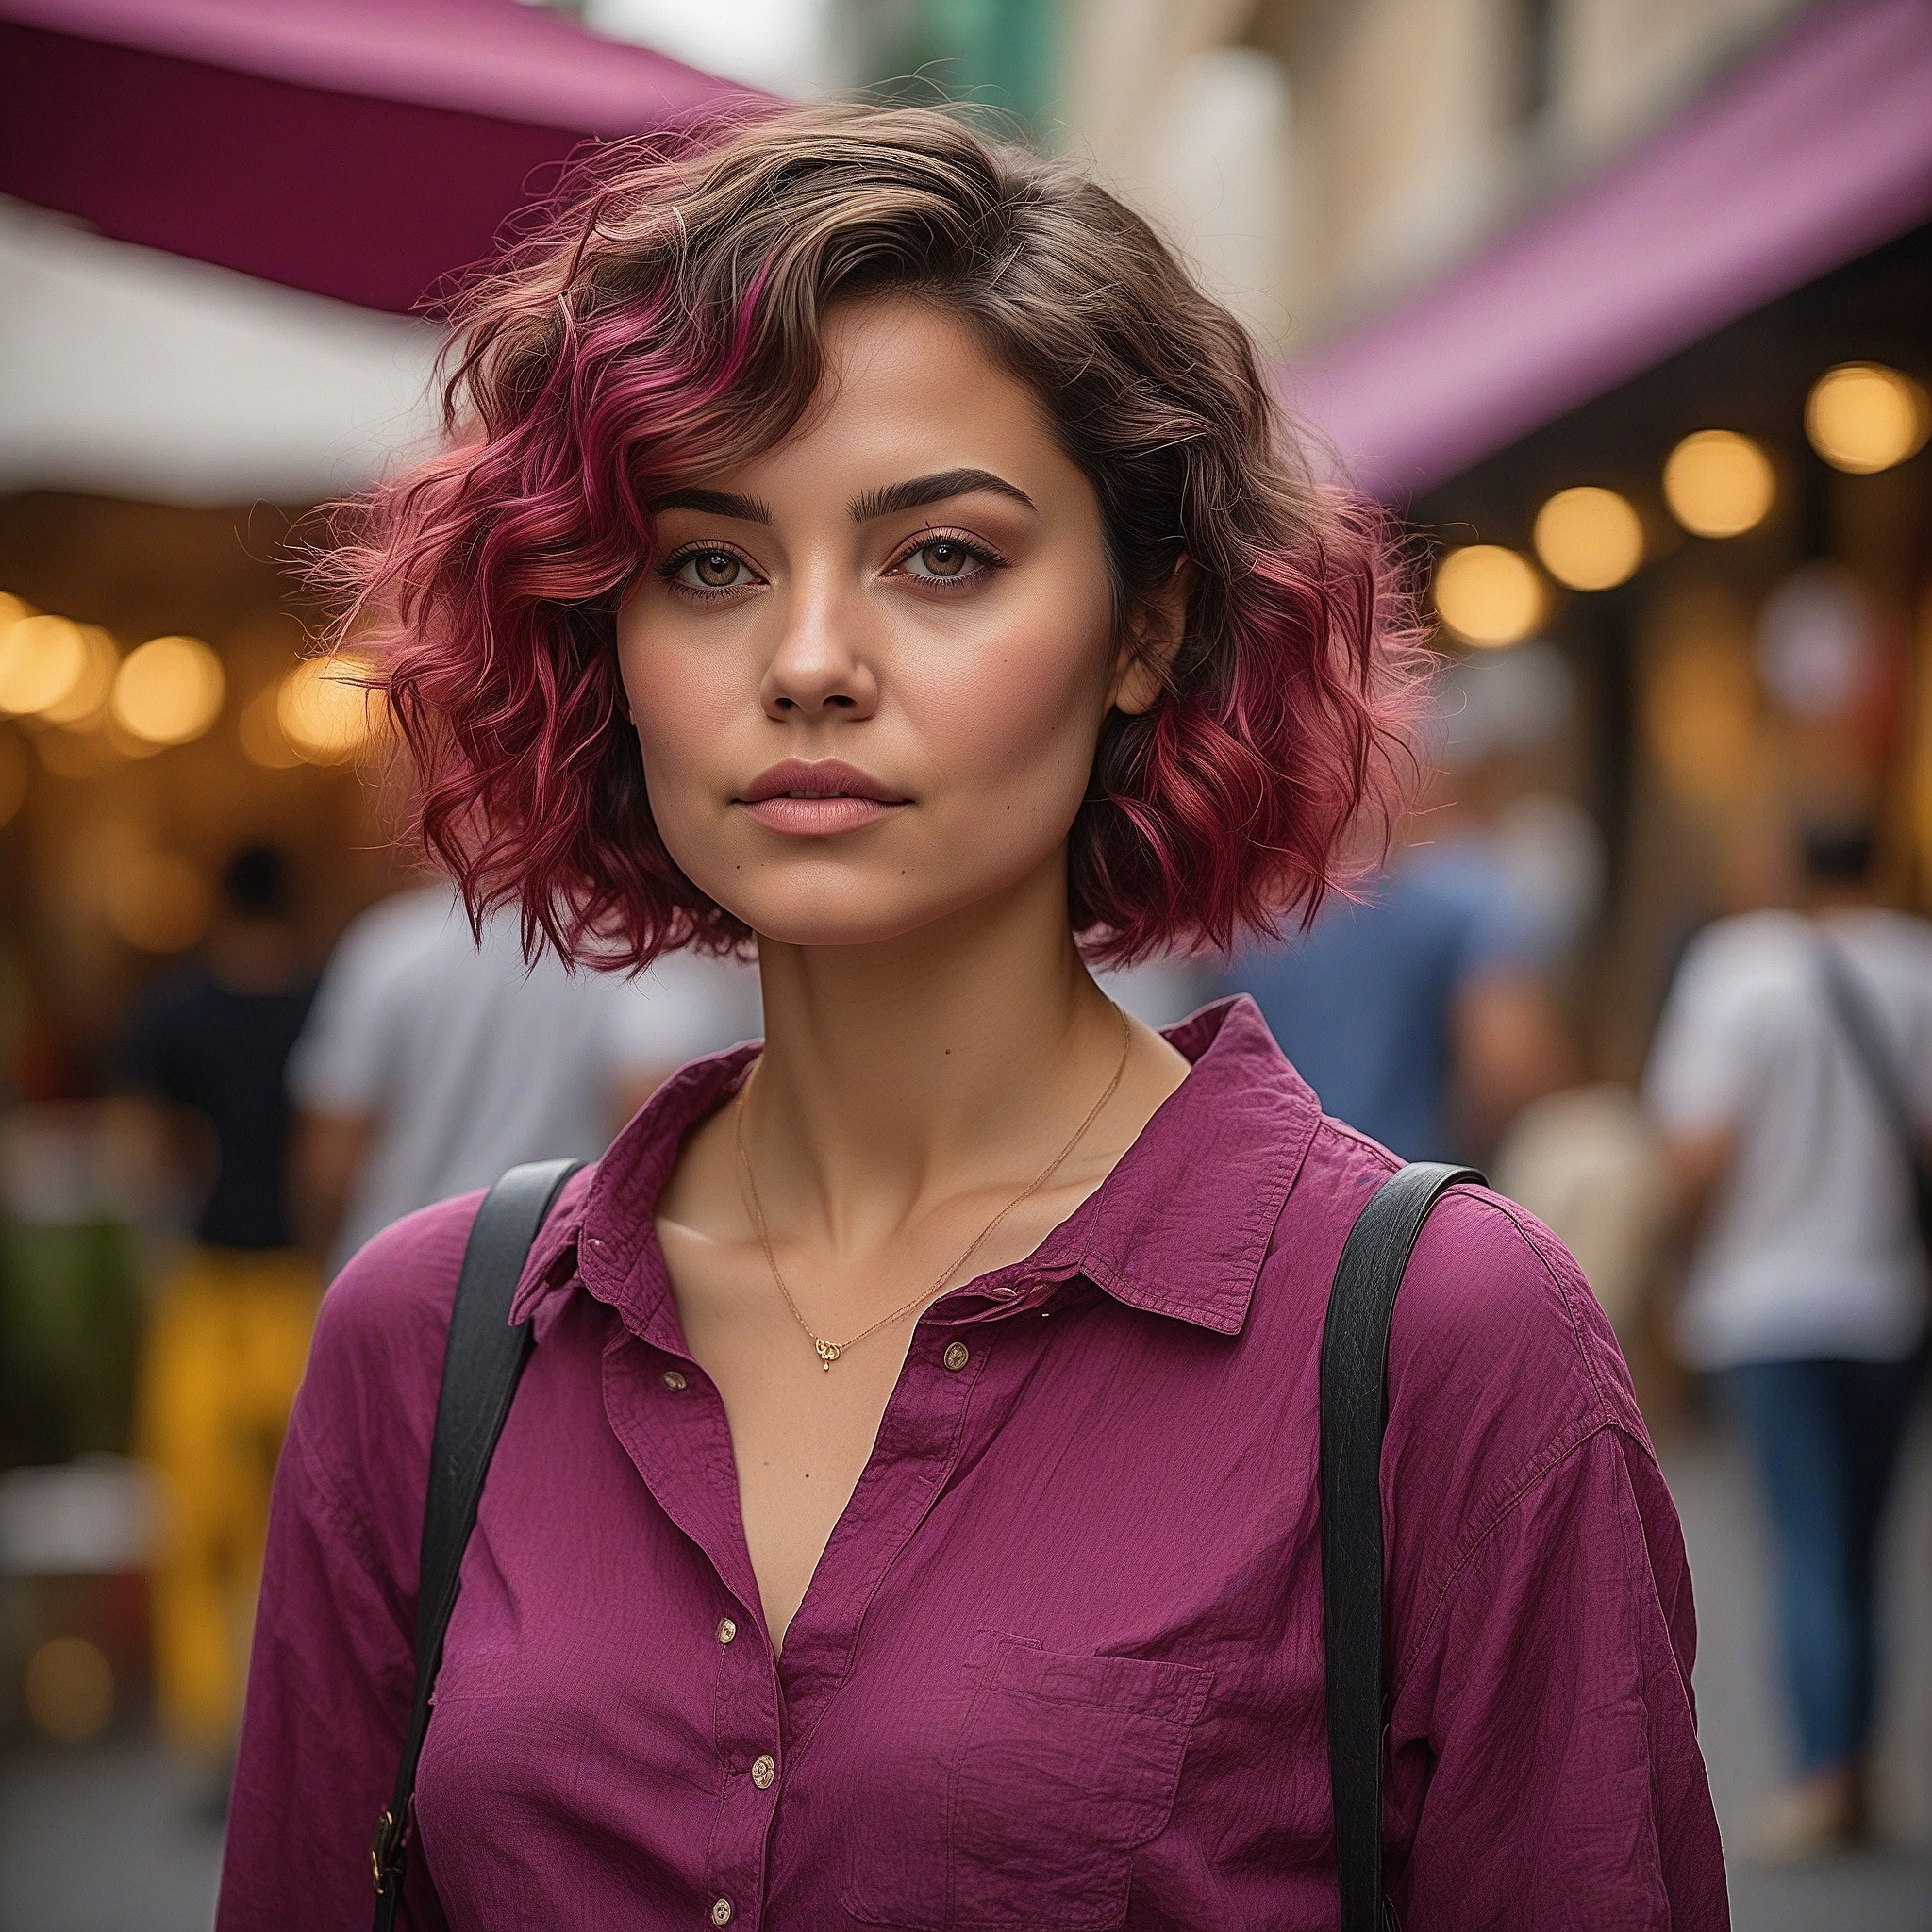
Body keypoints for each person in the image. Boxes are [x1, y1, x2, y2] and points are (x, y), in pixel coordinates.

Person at [219, 105, 1724, 1929]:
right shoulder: (431, 1342)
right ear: (599, 636)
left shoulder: (1438, 1343)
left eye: (940, 555)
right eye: (707, 561)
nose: (806, 659)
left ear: (1146, 624)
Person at [1648, 818, 1931, 1857]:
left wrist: (1671, 1253)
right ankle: (1855, 1765)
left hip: (1765, 1302)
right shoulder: (1917, 970)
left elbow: (1696, 1151)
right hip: (1886, 1298)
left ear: (1785, 863)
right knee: (1863, 1544)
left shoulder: (1738, 972)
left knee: (1805, 1538)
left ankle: (1819, 1772)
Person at [120, 843, 320, 1767]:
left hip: (207, 1281)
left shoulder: (176, 1009)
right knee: (314, 1513)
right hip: (305, 1282)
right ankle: (312, 1714)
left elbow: (143, 1148)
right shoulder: (327, 1000)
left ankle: (209, 1726)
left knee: (197, 1519)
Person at [289, 883, 758, 1273]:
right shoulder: (631, 956)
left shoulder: (390, 946)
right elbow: (648, 1102)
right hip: (546, 1284)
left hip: (386, 1272)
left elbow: (331, 1157)